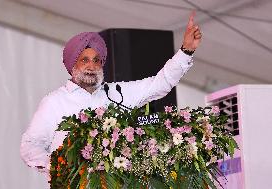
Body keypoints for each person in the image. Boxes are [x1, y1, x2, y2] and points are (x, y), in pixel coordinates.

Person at [20, 12, 202, 180]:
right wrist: (57, 166)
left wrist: (186, 51)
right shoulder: (55, 102)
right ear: (72, 65)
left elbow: (159, 84)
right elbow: (30, 146)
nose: (92, 66)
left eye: (96, 60)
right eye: (84, 60)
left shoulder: (117, 93)